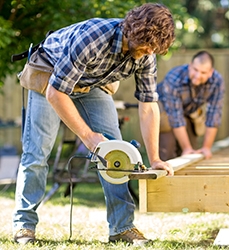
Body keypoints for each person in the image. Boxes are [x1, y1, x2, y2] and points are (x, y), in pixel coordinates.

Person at [12, 3, 175, 246]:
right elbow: (56, 93)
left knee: (116, 153)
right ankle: (24, 226)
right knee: (37, 151)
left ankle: (122, 228)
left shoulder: (147, 55)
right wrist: (88, 137)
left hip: (90, 84)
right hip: (51, 76)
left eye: (155, 48)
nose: (150, 51)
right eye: (147, 45)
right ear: (134, 32)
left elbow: (149, 105)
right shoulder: (94, 38)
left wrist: (155, 158)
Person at [157, 51, 225, 161]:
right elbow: (175, 117)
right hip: (164, 110)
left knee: (192, 153)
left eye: (203, 72)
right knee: (168, 151)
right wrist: (186, 148)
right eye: (195, 70)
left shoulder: (217, 81)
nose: (198, 76)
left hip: (188, 111)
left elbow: (214, 115)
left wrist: (206, 148)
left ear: (210, 72)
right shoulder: (174, 78)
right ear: (190, 66)